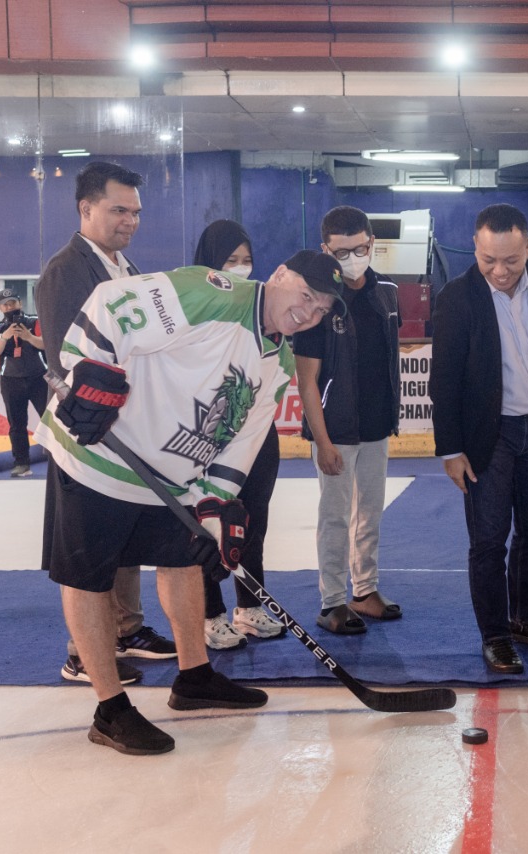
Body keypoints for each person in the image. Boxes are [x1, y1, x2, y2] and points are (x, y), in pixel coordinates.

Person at [35, 250, 344, 754]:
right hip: (98, 457)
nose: (309, 312)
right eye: (307, 295)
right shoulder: (211, 292)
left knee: (182, 563)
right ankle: (110, 709)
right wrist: (85, 376)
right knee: (89, 578)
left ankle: (194, 677)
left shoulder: (279, 362)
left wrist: (213, 507)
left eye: (321, 308)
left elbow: (239, 445)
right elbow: (111, 304)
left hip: (171, 478)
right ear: (280, 275)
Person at [34, 160, 173, 686]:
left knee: (123, 538)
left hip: (128, 429)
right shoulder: (65, 271)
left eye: (135, 212)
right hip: (89, 434)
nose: (130, 221)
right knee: (87, 551)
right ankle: (82, 653)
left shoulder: (127, 269)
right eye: (118, 210)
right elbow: (69, 363)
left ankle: (127, 628)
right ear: (86, 208)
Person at [430, 203, 528, 674]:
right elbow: (443, 380)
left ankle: (526, 620)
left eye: (511, 260)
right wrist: (450, 450)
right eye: (488, 259)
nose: (499, 271)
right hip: (486, 437)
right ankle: (495, 636)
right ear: (475, 247)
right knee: (489, 541)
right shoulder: (456, 298)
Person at [295, 206, 402, 635]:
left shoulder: (387, 292)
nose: (353, 258)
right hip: (335, 430)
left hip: (376, 425)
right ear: (326, 250)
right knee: (335, 518)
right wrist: (322, 441)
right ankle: (333, 601)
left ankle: (365, 590)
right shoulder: (317, 302)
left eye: (360, 249)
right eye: (342, 252)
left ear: (372, 243)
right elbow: (306, 381)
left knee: (370, 513)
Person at [192, 219, 286, 650]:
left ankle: (249, 607)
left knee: (254, 522)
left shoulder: (259, 311)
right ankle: (208, 614)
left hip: (258, 433)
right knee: (208, 524)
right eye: (231, 260)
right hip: (211, 434)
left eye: (247, 260)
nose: (241, 268)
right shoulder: (193, 311)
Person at [0, 289, 47, 477]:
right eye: (5, 304)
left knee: (50, 421)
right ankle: (21, 464)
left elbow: (45, 344)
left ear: (20, 303)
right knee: (17, 424)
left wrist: (28, 337)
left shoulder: (35, 321)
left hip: (38, 378)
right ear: (0, 308)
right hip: (10, 381)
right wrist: (5, 336)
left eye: (12, 303)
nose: (9, 307)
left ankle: (60, 461)